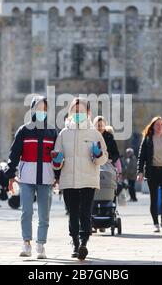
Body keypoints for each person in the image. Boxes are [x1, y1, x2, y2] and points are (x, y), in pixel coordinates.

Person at [53, 98, 108, 260]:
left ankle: (84, 242)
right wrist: (57, 161)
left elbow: (104, 157)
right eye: (75, 111)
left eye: (81, 111)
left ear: (88, 113)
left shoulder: (94, 134)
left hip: (88, 179)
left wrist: (98, 155)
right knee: (73, 212)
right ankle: (75, 242)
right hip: (69, 180)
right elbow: (57, 159)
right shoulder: (63, 134)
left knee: (85, 212)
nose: (78, 114)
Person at [5, 96, 59, 259]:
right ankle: (26, 242)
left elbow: (57, 157)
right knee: (26, 211)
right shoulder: (24, 130)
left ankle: (41, 244)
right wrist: (11, 175)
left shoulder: (52, 131)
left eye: (44, 108)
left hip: (46, 178)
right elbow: (14, 154)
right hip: (26, 177)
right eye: (38, 107)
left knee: (44, 214)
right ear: (33, 109)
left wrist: (58, 176)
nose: (41, 111)